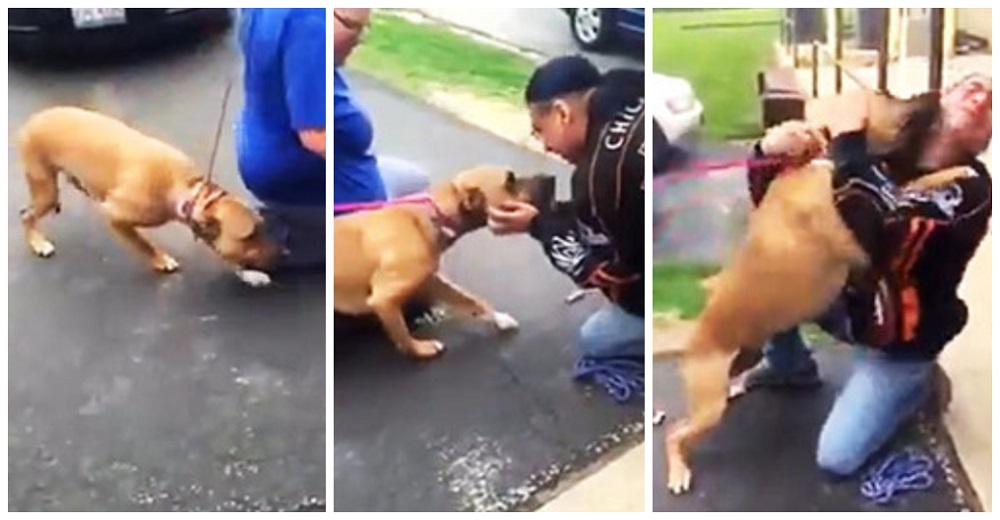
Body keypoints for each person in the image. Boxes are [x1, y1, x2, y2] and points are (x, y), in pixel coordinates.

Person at [741, 74, 992, 476]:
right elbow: (772, 208)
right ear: (941, 97)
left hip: (899, 340)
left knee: (837, 458)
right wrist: (769, 153)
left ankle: (918, 385)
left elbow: (885, 237)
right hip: (843, 303)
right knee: (764, 267)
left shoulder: (971, 192)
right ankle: (789, 366)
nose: (983, 97)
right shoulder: (878, 153)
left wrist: (847, 147)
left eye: (993, 104)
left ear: (987, 138)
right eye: (973, 87)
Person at [488, 55, 658, 359]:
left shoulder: (598, 178)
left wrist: (540, 225)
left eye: (540, 130)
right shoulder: (634, 89)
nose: (545, 145)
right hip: (697, 219)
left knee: (596, 338)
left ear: (562, 113)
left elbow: (606, 274)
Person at [236, 8, 326, 269]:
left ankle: (289, 227)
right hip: (290, 169)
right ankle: (285, 244)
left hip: (256, 145)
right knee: (411, 182)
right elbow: (315, 138)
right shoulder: (310, 20)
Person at [333, 8, 429, 214]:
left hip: (355, 173)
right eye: (353, 27)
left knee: (416, 177)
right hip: (348, 202)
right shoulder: (309, 77)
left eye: (364, 28)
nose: (361, 39)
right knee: (422, 191)